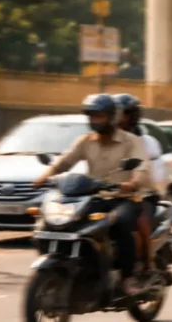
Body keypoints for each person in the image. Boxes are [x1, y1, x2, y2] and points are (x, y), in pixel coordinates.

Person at [33, 94, 150, 296]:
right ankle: (68, 266)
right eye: (93, 116)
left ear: (113, 117)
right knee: (55, 222)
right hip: (94, 197)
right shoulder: (85, 141)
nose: (96, 121)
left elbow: (142, 167)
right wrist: (42, 178)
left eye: (100, 116)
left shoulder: (131, 141)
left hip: (124, 198)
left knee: (120, 223)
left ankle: (128, 276)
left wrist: (132, 183)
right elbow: (64, 162)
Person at [114, 93, 161, 274]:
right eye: (116, 113)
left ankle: (147, 263)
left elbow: (147, 169)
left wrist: (134, 183)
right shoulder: (105, 138)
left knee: (140, 221)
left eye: (123, 114)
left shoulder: (145, 142)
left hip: (142, 194)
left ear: (132, 116)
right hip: (111, 193)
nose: (119, 118)